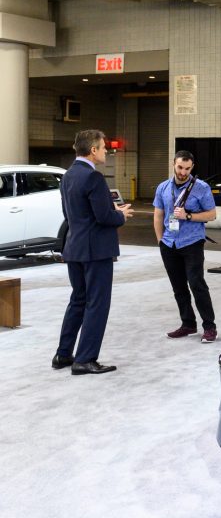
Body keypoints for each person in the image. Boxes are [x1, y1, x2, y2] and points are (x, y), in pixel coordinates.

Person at [54, 129, 134, 375]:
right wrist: (120, 214)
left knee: (78, 299)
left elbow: (71, 214)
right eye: (103, 147)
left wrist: (109, 211)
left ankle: (63, 354)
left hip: (74, 247)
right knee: (97, 303)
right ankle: (85, 359)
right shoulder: (94, 178)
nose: (106, 151)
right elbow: (104, 217)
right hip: (95, 251)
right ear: (93, 151)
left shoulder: (68, 176)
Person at [153, 150, 219, 343]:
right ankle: (188, 324)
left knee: (197, 284)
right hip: (168, 243)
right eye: (180, 167)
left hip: (192, 243)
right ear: (174, 164)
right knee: (178, 287)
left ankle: (209, 326)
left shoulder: (201, 188)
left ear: (192, 167)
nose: (183, 172)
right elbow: (158, 215)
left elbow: (212, 214)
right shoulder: (163, 187)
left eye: (187, 168)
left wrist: (188, 216)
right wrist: (160, 242)